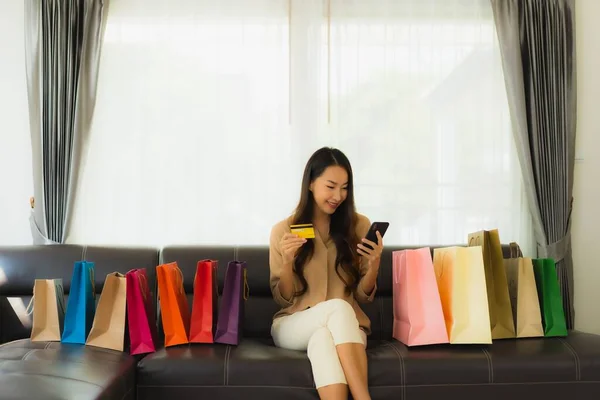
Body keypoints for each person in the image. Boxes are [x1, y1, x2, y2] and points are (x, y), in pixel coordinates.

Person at [269, 147, 384, 400]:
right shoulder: (284, 231)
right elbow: (283, 299)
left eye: (344, 187)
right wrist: (287, 262)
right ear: (310, 183)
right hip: (294, 323)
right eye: (330, 186)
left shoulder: (359, 226)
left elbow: (364, 298)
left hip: (348, 329)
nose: (338, 195)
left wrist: (374, 264)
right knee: (339, 308)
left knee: (323, 339)